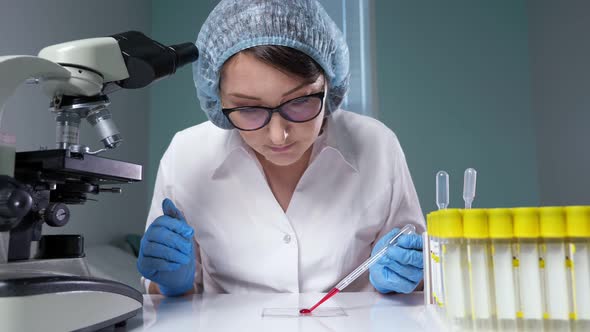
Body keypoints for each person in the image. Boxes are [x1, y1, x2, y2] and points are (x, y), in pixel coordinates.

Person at [137, 0, 425, 297]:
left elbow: (421, 282)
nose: (278, 136)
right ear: (218, 99)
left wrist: (407, 277)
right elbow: (161, 301)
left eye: (300, 102)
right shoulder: (186, 155)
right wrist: (169, 282)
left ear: (329, 83)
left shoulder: (377, 146)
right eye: (248, 108)